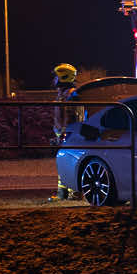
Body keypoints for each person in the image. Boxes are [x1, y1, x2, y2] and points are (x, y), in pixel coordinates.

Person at [51, 63, 79, 200]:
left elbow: (69, 115)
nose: (54, 79)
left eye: (56, 76)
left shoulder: (70, 94)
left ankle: (71, 193)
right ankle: (63, 193)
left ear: (63, 77)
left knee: (68, 162)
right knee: (63, 162)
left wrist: (63, 132)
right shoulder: (63, 94)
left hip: (67, 133)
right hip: (63, 133)